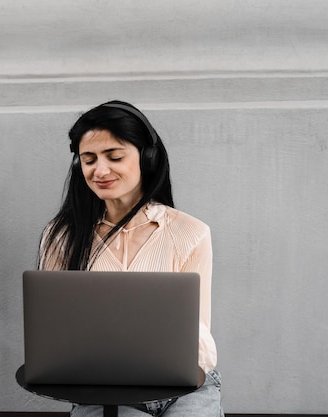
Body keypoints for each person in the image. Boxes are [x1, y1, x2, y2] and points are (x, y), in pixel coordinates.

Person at [37, 100, 223, 417]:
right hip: (99, 389)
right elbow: (53, 338)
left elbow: (199, 333)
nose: (100, 170)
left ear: (146, 158)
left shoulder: (191, 232)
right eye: (88, 159)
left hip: (185, 389)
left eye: (115, 156)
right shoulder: (61, 237)